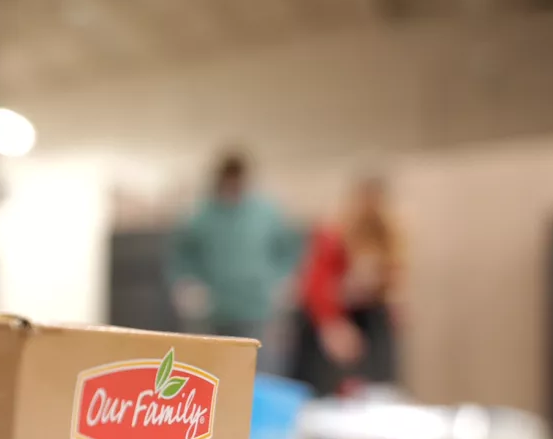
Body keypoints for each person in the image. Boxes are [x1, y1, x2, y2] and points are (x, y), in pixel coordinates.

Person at [167, 152, 302, 370]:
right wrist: (187, 285)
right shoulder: (201, 215)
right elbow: (181, 257)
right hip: (214, 312)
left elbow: (288, 251)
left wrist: (284, 281)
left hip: (258, 309)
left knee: (261, 371)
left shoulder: (267, 213)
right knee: (214, 371)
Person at [293, 175, 401, 395]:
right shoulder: (334, 233)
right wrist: (331, 322)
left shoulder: (387, 235)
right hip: (334, 319)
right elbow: (315, 284)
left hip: (369, 319)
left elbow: (391, 279)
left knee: (377, 386)